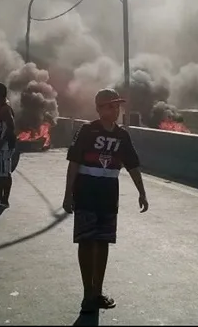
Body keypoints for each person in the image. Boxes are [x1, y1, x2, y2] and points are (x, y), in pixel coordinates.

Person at [63, 88, 148, 314]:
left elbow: (132, 165)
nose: (115, 109)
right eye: (110, 106)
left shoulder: (122, 136)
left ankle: (98, 291)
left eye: (117, 105)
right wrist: (67, 194)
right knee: (86, 242)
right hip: (86, 194)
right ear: (99, 109)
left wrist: (142, 192)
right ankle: (87, 293)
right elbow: (73, 164)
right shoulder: (87, 131)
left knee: (102, 243)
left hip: (109, 196)